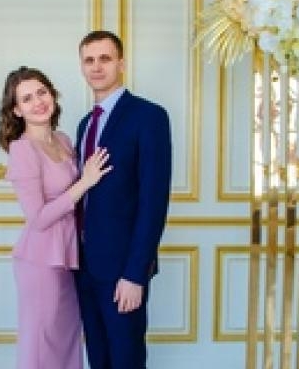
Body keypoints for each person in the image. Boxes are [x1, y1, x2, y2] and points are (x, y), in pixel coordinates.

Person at [0, 66, 112, 369]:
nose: (38, 102)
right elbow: (38, 218)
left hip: (70, 255)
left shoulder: (63, 140)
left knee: (67, 338)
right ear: (17, 110)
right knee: (41, 341)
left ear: (52, 95)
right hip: (40, 260)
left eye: (42, 92)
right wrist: (84, 183)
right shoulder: (22, 150)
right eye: (27, 99)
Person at [75, 31, 172, 369]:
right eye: (89, 60)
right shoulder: (85, 125)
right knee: (98, 359)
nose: (96, 67)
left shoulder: (149, 116)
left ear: (121, 64)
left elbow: (153, 201)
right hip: (84, 268)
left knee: (126, 360)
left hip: (122, 272)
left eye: (105, 58)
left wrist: (135, 274)